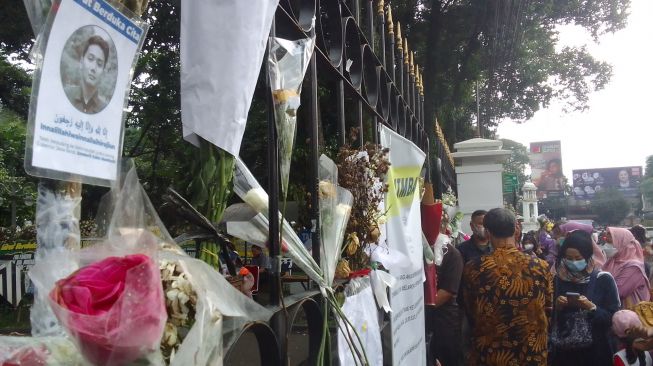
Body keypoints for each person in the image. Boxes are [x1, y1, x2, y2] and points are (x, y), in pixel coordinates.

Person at [462, 208, 552, 366]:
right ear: (516, 229)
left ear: (488, 233)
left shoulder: (474, 268)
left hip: (492, 354)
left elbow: (471, 310)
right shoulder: (540, 266)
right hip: (532, 353)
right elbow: (548, 309)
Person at [550, 230, 620, 366]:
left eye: (578, 258)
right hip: (564, 351)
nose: (573, 262)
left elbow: (613, 317)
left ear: (588, 256)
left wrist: (591, 307)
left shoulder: (603, 279)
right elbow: (548, 317)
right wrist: (557, 307)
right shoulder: (557, 279)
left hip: (596, 350)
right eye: (569, 258)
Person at [428, 236, 464, 366]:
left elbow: (448, 291)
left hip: (444, 320)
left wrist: (422, 308)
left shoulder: (452, 254)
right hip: (423, 320)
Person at [603, 227, 651, 308]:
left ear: (622, 244)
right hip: (613, 311)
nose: (606, 246)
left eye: (610, 243)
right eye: (606, 242)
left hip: (629, 316)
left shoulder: (634, 267)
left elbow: (618, 292)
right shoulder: (612, 261)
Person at [64, 35, 111, 114]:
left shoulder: (106, 110)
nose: (93, 68)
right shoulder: (66, 94)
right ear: (81, 62)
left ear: (103, 71)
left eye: (99, 64)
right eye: (90, 59)